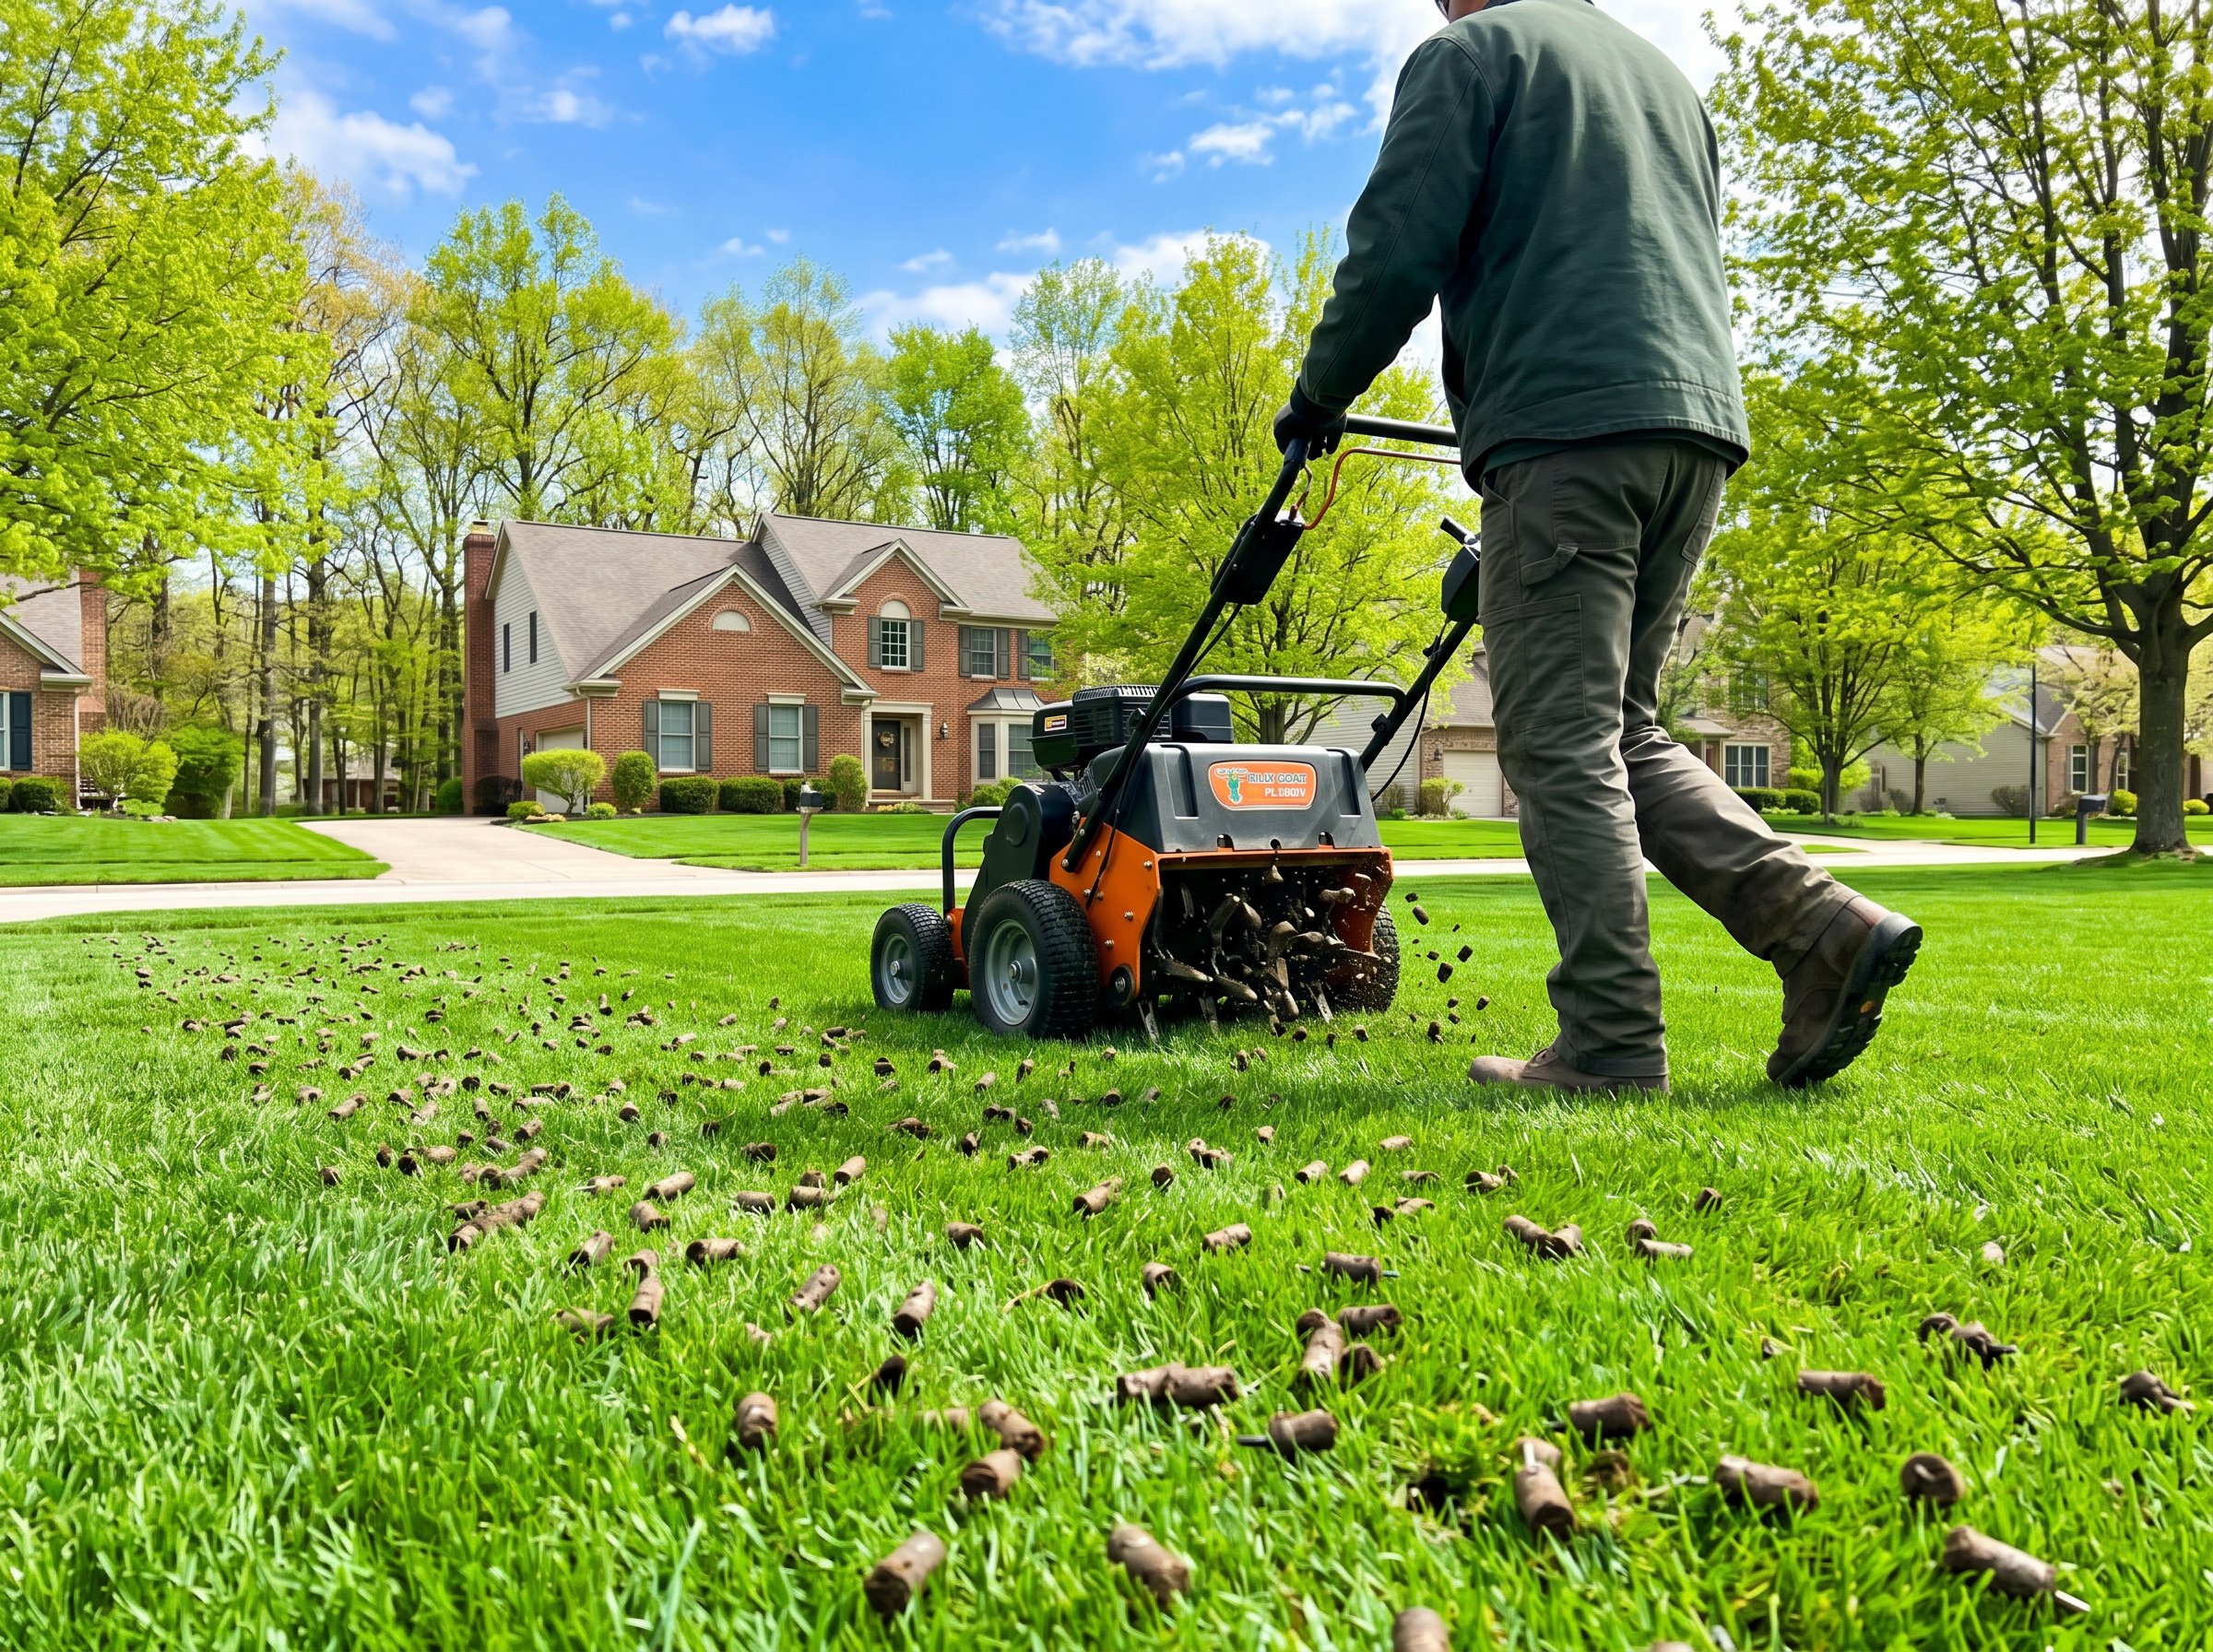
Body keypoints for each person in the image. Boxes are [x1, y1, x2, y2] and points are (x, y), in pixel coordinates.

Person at [1275, 0, 1920, 1092]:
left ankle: (1611, 1042)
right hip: (1696, 430)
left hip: (1566, 429)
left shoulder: (1469, 55)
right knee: (1622, 728)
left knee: (1560, 743)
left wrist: (1318, 393)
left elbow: (1396, 249)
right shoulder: (1667, 81)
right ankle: (1820, 930)